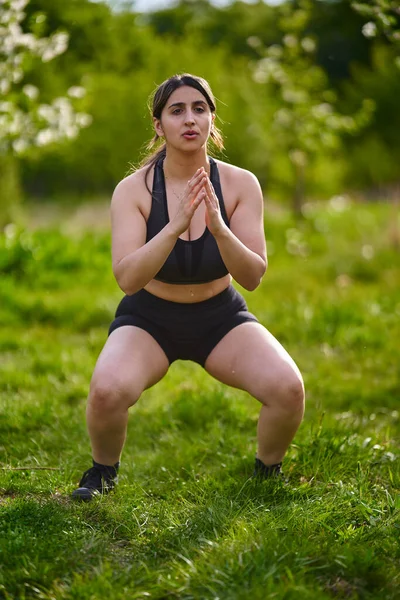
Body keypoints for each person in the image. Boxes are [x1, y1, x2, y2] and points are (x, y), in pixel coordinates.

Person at [72, 73, 305, 501]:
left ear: (212, 119)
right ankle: (102, 474)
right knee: (106, 391)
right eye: (176, 110)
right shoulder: (133, 190)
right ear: (159, 125)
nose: (189, 118)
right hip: (150, 317)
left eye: (199, 108)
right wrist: (175, 225)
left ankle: (267, 474)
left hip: (220, 315)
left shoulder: (240, 184)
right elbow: (127, 278)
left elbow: (253, 276)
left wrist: (218, 228)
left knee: (288, 389)